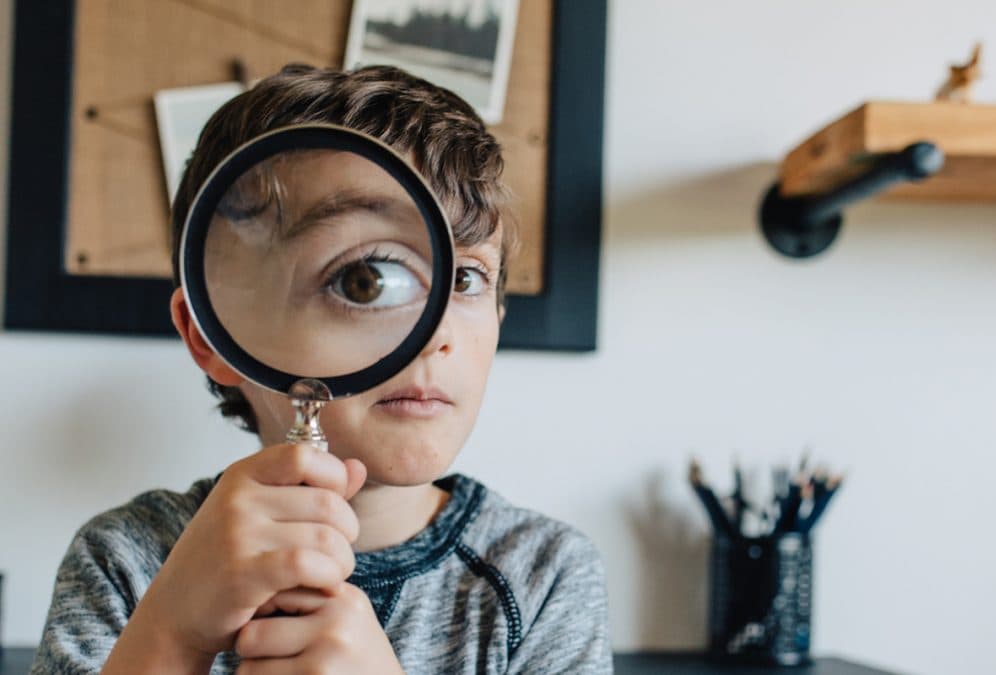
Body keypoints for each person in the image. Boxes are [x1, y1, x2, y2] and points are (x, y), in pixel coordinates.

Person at [31, 64, 612, 675]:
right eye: (367, 279)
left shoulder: (545, 576)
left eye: (466, 278)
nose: (436, 334)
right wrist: (172, 633)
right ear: (212, 332)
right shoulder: (127, 561)